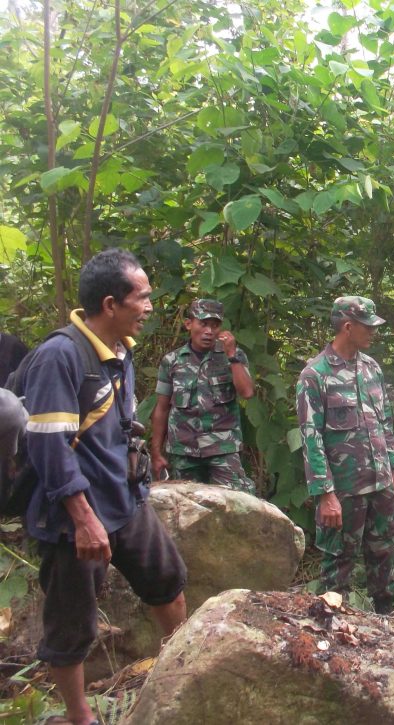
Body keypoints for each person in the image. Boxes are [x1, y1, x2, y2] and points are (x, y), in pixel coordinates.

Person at [23, 249, 187, 725]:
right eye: (143, 297)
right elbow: (49, 445)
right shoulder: (60, 356)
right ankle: (80, 718)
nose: (150, 306)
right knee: (72, 623)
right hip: (74, 516)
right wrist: (82, 519)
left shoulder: (120, 350)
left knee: (168, 582)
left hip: (124, 500)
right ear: (111, 304)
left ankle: (180, 681)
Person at [296, 296, 394, 614]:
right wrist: (325, 494)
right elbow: (311, 439)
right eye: (367, 326)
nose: (373, 332)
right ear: (347, 327)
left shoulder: (371, 368)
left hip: (380, 484)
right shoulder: (315, 375)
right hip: (344, 490)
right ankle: (329, 629)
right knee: (338, 566)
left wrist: (393, 472)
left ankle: (386, 621)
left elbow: (385, 423)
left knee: (384, 554)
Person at [150, 298, 256, 494]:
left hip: (222, 448)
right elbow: (162, 408)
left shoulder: (233, 356)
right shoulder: (172, 361)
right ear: (189, 324)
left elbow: (247, 392)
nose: (209, 331)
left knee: (238, 501)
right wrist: (156, 453)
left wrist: (232, 355)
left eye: (215, 326)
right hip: (184, 450)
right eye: (203, 324)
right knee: (185, 505)